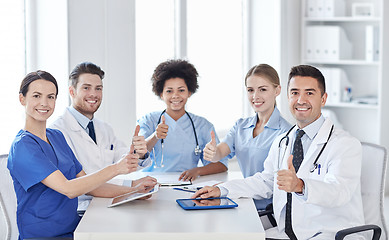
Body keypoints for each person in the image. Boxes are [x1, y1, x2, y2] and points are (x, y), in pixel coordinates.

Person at [193, 65, 364, 239]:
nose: (301, 100)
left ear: (323, 98)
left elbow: (339, 192)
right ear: (288, 96)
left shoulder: (345, 144)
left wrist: (300, 186)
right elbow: (266, 181)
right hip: (289, 233)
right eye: (295, 93)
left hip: (328, 233)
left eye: (309, 93)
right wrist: (222, 190)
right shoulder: (283, 140)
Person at [8, 71, 157, 239]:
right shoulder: (23, 146)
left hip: (75, 229)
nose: (44, 103)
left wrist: (132, 191)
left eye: (51, 97)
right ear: (22, 99)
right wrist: (116, 169)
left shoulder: (56, 137)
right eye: (36, 96)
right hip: (44, 235)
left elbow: (90, 185)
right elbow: (68, 189)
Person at [202, 64, 291, 210]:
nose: (255, 96)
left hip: (269, 210)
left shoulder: (286, 133)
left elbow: (274, 183)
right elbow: (220, 152)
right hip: (243, 199)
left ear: (277, 90)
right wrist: (212, 153)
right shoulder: (241, 126)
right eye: (250, 90)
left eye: (262, 89)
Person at [51, 61, 150, 177]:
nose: (93, 94)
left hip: (110, 193)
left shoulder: (105, 129)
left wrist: (138, 153)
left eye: (98, 88)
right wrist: (131, 186)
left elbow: (123, 160)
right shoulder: (58, 131)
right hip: (83, 195)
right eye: (86, 88)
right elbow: (73, 180)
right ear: (72, 92)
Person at [137, 59, 228, 181]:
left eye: (181, 90)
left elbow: (222, 165)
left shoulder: (203, 125)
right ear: (161, 94)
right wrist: (155, 136)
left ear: (189, 92)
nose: (175, 96)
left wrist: (197, 170)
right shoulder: (149, 120)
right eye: (169, 91)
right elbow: (138, 153)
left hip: (187, 184)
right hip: (152, 184)